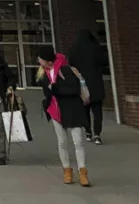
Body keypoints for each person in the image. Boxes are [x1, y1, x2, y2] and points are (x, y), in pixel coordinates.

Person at [37, 45, 91, 188]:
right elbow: (47, 92)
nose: (38, 61)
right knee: (62, 142)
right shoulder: (43, 74)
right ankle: (67, 170)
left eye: (40, 58)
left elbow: (73, 89)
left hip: (72, 110)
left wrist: (55, 89)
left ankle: (83, 172)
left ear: (48, 60)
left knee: (78, 141)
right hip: (55, 111)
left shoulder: (65, 70)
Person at [66, 29, 106, 144]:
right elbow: (104, 61)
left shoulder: (74, 49)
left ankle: (88, 132)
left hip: (82, 84)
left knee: (84, 110)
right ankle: (97, 134)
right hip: (96, 83)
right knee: (97, 111)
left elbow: (71, 65)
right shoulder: (96, 48)